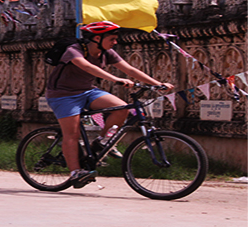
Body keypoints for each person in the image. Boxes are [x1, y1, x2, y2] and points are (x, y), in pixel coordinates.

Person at [46, 21, 174, 188]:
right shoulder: (74, 50)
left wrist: (157, 84)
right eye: (112, 39)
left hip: (87, 91)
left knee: (122, 109)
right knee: (72, 133)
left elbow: (130, 70)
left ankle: (101, 142)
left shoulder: (108, 53)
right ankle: (76, 172)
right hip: (63, 95)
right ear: (97, 38)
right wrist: (115, 79)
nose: (115, 42)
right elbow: (87, 66)